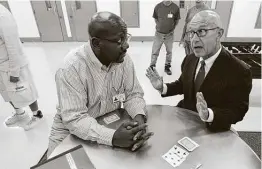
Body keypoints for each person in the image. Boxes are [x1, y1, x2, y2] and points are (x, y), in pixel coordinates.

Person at [47, 12, 153, 156]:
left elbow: (133, 94)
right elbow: (75, 119)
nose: (126, 45)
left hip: (108, 123)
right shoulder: (71, 68)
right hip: (69, 131)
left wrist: (138, 121)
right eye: (119, 40)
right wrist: (113, 137)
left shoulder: (124, 60)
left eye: (126, 37)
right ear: (96, 43)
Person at [146, 10, 252, 131]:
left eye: (201, 31)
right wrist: (163, 87)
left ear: (219, 33)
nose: (194, 40)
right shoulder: (190, 59)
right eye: (191, 32)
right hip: (184, 117)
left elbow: (238, 111)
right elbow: (183, 84)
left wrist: (209, 114)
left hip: (212, 127)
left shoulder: (239, 70)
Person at [0, 4, 43, 130]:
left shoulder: (2, 16)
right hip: (1, 64)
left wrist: (14, 71)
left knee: (24, 91)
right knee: (7, 92)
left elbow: (13, 46)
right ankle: (20, 114)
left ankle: (37, 115)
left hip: (12, 64)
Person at [150, 0, 180, 75]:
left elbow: (176, 20)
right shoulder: (158, 6)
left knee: (169, 51)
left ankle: (167, 66)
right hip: (158, 34)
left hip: (169, 34)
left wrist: (172, 28)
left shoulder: (175, 7)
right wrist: (160, 26)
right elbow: (156, 19)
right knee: (155, 51)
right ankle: (152, 66)